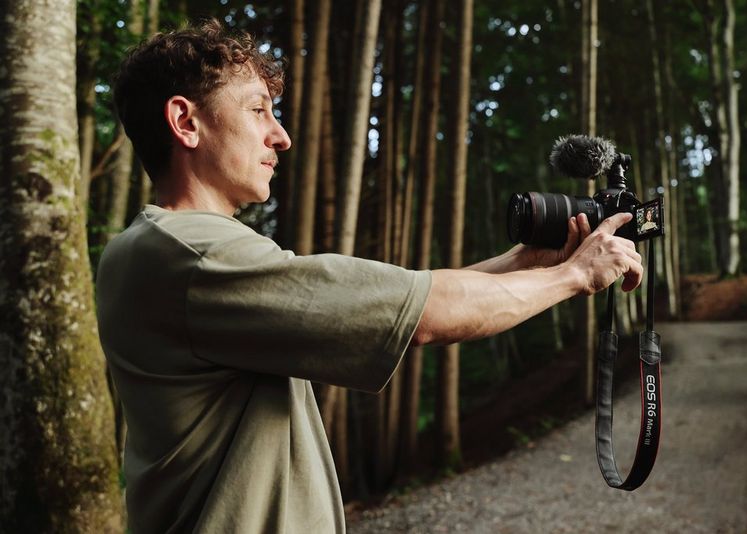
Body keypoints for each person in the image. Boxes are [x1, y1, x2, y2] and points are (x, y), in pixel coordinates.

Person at [96, 19, 642, 534]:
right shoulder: (196, 255)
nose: (280, 136)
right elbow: (426, 315)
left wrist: (530, 262)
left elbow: (409, 298)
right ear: (185, 122)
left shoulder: (156, 249)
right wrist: (575, 277)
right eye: (259, 110)